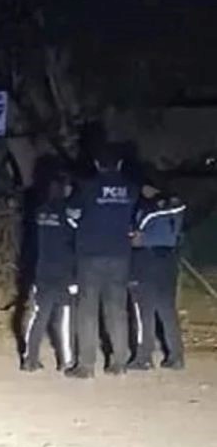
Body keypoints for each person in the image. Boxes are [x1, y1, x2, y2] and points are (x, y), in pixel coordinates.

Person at [65, 146, 139, 378]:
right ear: (119, 165)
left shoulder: (87, 187)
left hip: (91, 255)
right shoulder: (131, 188)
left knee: (87, 309)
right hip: (120, 255)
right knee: (117, 309)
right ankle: (120, 362)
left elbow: (72, 213)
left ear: (97, 164)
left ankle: (86, 365)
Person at [21, 173, 77, 372]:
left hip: (42, 271)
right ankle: (67, 360)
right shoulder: (68, 214)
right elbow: (75, 240)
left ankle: (30, 358)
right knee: (63, 319)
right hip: (64, 273)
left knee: (38, 316)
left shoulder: (41, 213)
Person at [128, 191, 186, 370]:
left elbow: (136, 240)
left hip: (147, 262)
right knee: (167, 311)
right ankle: (176, 356)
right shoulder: (176, 210)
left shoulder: (148, 212)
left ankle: (143, 357)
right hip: (168, 262)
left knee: (143, 312)